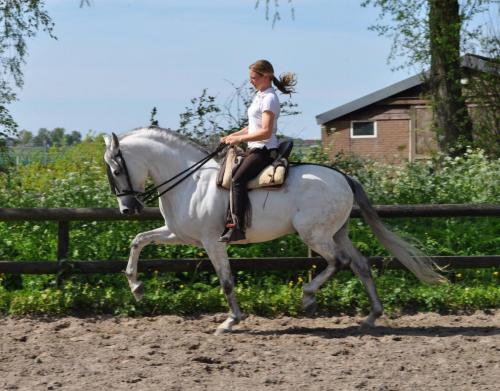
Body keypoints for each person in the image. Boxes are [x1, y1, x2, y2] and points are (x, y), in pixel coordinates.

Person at [218, 59, 297, 242]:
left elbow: (265, 131)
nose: (251, 81)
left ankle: (237, 227)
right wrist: (231, 135)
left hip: (264, 150)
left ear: (266, 76)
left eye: (254, 78)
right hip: (254, 148)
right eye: (251, 78)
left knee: (237, 179)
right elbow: (252, 127)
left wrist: (238, 139)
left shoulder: (270, 98)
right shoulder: (259, 96)